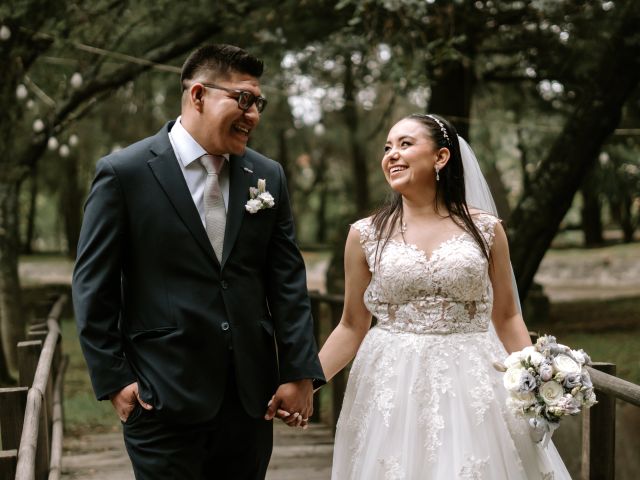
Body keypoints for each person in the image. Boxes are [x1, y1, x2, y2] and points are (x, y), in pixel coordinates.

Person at [72, 44, 324, 480]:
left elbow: (286, 282)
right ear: (198, 95)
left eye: (258, 103)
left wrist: (300, 372)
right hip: (161, 396)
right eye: (243, 99)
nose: (253, 115)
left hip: (249, 402)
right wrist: (114, 381)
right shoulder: (124, 173)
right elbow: (93, 285)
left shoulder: (268, 176)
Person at [319, 113, 571, 479]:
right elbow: (351, 325)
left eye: (405, 144)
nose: (392, 154)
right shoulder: (364, 234)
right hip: (392, 382)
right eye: (387, 147)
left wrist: (537, 378)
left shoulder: (486, 229)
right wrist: (305, 382)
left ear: (440, 157)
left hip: (473, 378)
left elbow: (507, 317)